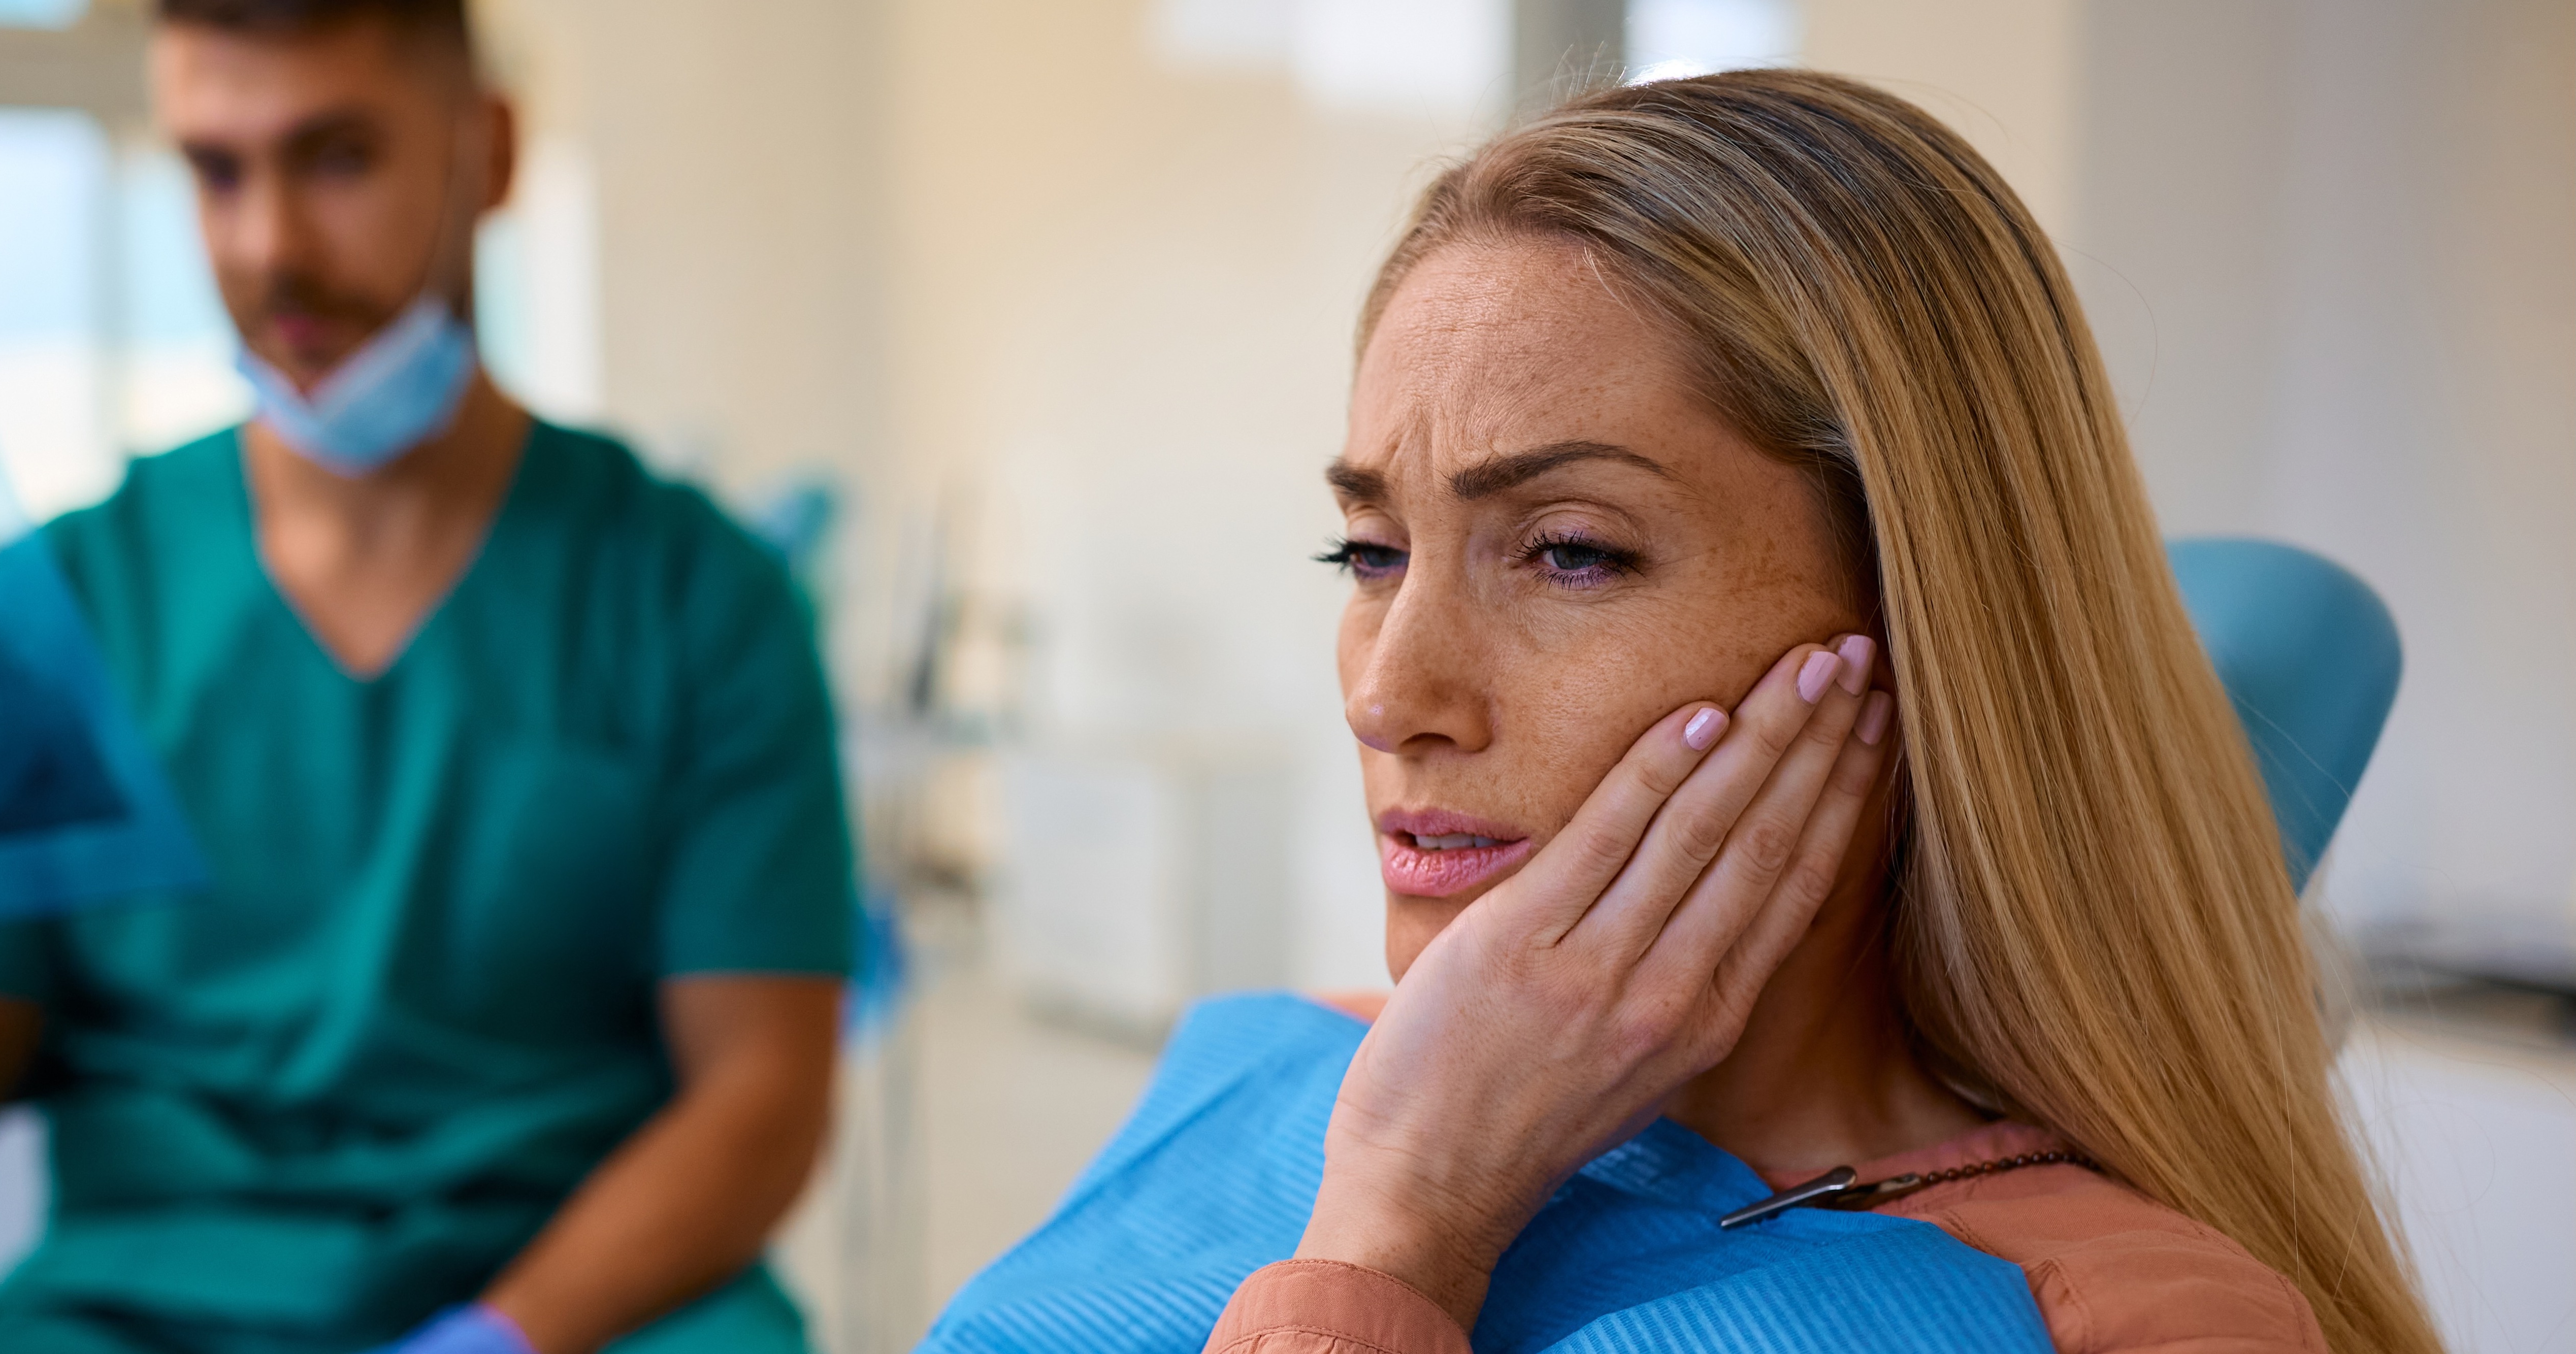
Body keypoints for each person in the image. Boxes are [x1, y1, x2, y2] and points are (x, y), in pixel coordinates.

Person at [925, 71, 2441, 1354]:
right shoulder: (1268, 1057)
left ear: (1922, 627)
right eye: (1372, 550)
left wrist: (1402, 1237)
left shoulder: (2098, 1319)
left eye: (1572, 550)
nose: (1391, 692)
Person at [0, 2, 856, 1352]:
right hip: (141, 1300)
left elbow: (764, 1094)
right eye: (217, 169)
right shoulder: (63, 600)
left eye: (337, 158)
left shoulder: (694, 595)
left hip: (583, 1289)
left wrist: (513, 1333)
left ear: (487, 154)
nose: (271, 247)